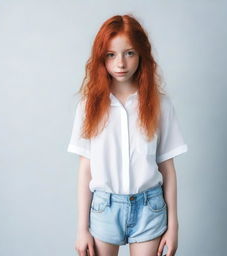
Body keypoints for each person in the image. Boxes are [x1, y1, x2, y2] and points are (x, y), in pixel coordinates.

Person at [67, 14, 188, 256]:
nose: (120, 63)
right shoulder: (89, 106)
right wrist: (81, 229)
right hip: (104, 208)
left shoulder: (160, 105)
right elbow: (85, 169)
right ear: (102, 58)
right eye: (111, 55)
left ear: (142, 54)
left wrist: (173, 225)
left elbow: (167, 168)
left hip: (149, 208)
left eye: (129, 53)